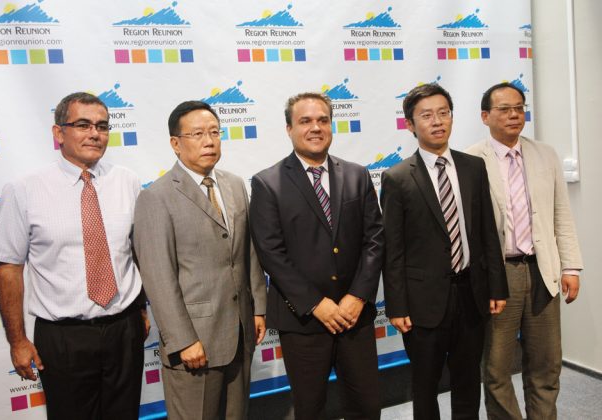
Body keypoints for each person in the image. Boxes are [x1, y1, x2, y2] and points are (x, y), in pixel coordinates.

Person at [0, 92, 149, 419]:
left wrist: (141, 309)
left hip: (125, 330)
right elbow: (9, 269)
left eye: (102, 126)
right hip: (63, 338)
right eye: (83, 125)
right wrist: (17, 341)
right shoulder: (24, 189)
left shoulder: (127, 181)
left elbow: (136, 252)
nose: (95, 134)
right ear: (59, 133)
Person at [249, 92, 384, 420]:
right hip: (304, 321)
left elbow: (375, 240)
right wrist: (315, 303)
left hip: (354, 317)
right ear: (289, 129)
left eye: (323, 120)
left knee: (367, 407)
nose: (315, 127)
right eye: (305, 121)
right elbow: (271, 253)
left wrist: (357, 296)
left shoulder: (357, 175)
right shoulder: (267, 183)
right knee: (309, 410)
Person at [381, 83, 508, 419]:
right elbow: (393, 250)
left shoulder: (473, 167)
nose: (437, 121)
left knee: (468, 381)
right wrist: (397, 305)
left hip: (471, 293)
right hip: (423, 303)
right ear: (410, 124)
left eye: (443, 113)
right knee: (425, 386)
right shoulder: (397, 178)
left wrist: (497, 286)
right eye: (426, 116)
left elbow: (487, 232)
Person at [132, 100, 266, 420]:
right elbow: (159, 279)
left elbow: (248, 252)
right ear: (175, 143)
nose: (209, 141)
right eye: (197, 134)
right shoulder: (156, 197)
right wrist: (183, 340)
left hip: (241, 332)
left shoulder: (235, 185)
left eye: (214, 132)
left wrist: (258, 307)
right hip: (195, 342)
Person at [466, 82, 583, 420]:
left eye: (519, 108)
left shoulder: (545, 154)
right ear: (485, 116)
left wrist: (570, 267)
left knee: (547, 363)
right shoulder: (471, 160)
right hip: (499, 276)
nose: (514, 115)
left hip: (542, 270)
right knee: (497, 368)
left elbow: (561, 213)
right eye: (504, 109)